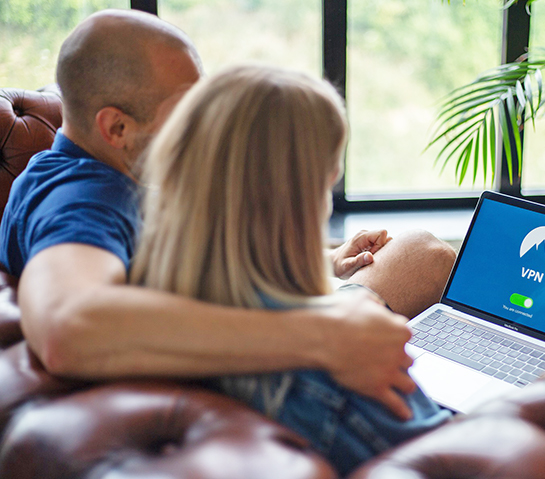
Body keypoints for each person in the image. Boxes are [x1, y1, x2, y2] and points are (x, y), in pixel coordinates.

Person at [0, 9, 456, 421]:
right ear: (116, 127)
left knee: (421, 252)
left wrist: (328, 261)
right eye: (188, 111)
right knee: (423, 257)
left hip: (263, 331)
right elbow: (67, 328)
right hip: (272, 371)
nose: (206, 125)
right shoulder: (76, 203)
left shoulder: (112, 173)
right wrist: (322, 333)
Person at [130, 64, 452, 475]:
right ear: (316, 184)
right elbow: (447, 457)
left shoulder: (145, 296)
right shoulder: (340, 358)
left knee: (421, 251)